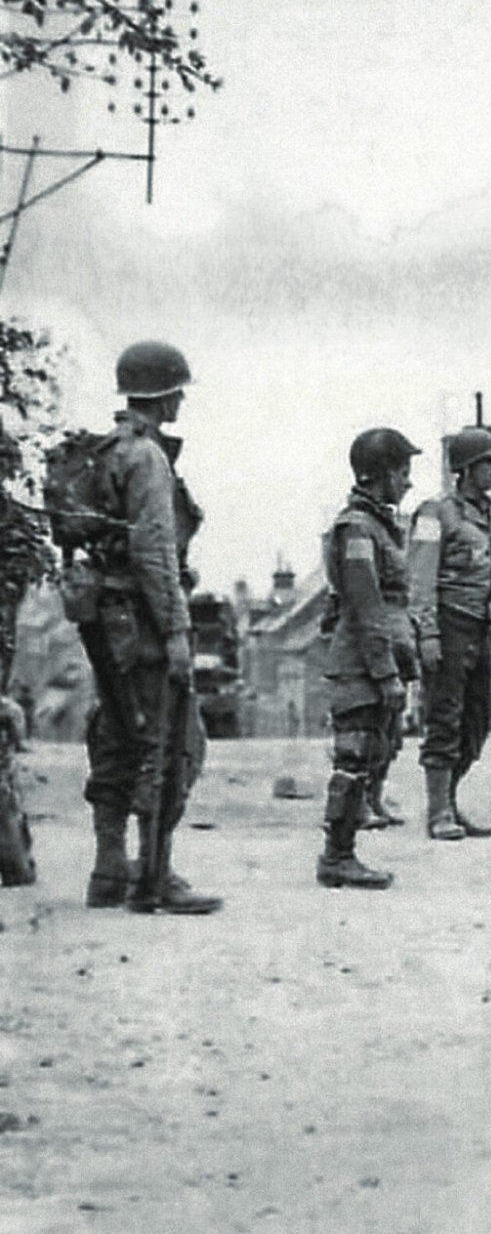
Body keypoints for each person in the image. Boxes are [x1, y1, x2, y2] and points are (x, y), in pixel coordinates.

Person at [60, 340, 222, 914]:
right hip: (142, 620)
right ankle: (155, 876)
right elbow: (153, 550)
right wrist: (177, 631)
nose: (181, 398)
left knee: (116, 734)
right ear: (165, 393)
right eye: (177, 390)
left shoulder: (106, 451)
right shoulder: (147, 457)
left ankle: (109, 870)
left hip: (104, 615)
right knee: (174, 740)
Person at [317, 428, 422, 890]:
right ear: (379, 476)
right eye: (402, 473)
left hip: (373, 659)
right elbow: (365, 603)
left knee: (370, 753)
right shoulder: (358, 528)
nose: (408, 483)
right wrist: (385, 672)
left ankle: (343, 853)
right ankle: (337, 857)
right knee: (353, 756)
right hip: (361, 661)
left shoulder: (377, 525)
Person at [408, 427, 491, 840]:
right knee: (445, 718)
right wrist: (428, 635)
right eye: (489, 464)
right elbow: (419, 579)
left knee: (477, 720)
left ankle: (451, 802)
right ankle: (438, 812)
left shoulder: (487, 515)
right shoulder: (435, 514)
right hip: (450, 625)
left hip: (482, 626)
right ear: (467, 469)